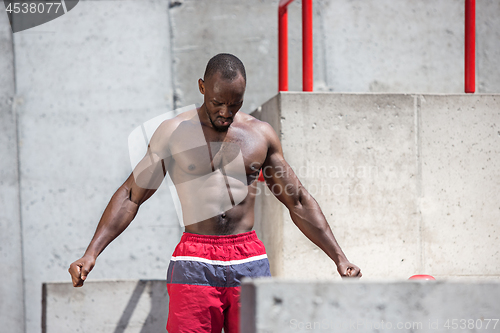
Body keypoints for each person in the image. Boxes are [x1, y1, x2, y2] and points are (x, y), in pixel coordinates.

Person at [68, 53, 361, 333]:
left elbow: (297, 200)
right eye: (218, 102)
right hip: (195, 260)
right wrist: (91, 252)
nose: (225, 112)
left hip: (247, 258)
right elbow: (132, 194)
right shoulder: (173, 133)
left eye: (235, 104)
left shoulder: (260, 135)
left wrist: (339, 258)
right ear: (202, 87)